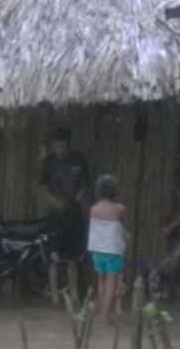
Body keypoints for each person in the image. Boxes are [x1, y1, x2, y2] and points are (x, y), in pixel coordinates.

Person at [38, 128, 90, 298]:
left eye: (63, 147)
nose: (60, 150)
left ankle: (74, 293)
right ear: (53, 146)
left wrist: (81, 195)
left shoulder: (79, 160)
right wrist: (55, 202)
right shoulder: (48, 163)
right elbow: (41, 189)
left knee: (73, 258)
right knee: (54, 258)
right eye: (57, 147)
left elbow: (86, 184)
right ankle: (54, 295)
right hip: (55, 216)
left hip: (75, 215)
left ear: (69, 146)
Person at [88, 175, 127, 325]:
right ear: (115, 191)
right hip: (113, 251)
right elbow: (121, 228)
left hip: (98, 251)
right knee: (112, 286)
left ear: (98, 191)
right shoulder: (120, 209)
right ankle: (105, 318)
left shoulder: (93, 209)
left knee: (101, 283)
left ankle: (99, 316)